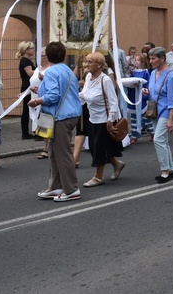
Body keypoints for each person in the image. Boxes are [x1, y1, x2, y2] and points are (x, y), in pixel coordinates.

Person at [29, 41, 82, 202]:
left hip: (61, 116)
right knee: (54, 152)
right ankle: (56, 186)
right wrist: (41, 90)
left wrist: (37, 100)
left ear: (47, 57)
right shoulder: (66, 69)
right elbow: (60, 90)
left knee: (62, 153)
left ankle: (71, 189)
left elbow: (53, 96)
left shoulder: (51, 72)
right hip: (70, 113)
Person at [79, 52, 125, 187]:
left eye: (89, 62)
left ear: (99, 65)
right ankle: (117, 164)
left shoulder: (105, 80)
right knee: (96, 147)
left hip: (105, 120)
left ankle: (98, 177)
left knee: (98, 147)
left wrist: (110, 121)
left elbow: (113, 102)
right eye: (86, 61)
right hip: (93, 118)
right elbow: (84, 95)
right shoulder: (88, 77)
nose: (86, 65)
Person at [143, 47, 173, 183]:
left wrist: (171, 119)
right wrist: (146, 93)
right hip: (154, 111)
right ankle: (170, 169)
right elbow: (153, 93)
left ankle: (165, 171)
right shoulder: (153, 74)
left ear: (162, 58)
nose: (151, 61)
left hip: (166, 112)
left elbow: (172, 99)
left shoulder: (171, 76)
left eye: (153, 58)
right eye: (150, 58)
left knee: (158, 139)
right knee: (162, 140)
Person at [128, 53, 151, 143]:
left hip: (141, 96)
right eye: (135, 60)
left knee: (145, 117)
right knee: (133, 116)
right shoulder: (133, 72)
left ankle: (152, 132)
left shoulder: (145, 72)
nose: (136, 62)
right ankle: (134, 136)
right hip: (134, 95)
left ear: (142, 62)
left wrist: (144, 89)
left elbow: (148, 84)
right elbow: (130, 81)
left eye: (138, 60)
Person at [17, 41, 36, 140]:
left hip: (28, 86)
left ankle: (27, 132)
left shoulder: (27, 60)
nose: (33, 50)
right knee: (27, 110)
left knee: (28, 109)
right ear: (27, 50)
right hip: (28, 87)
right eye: (32, 48)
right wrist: (39, 71)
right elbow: (29, 73)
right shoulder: (25, 61)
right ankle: (25, 132)